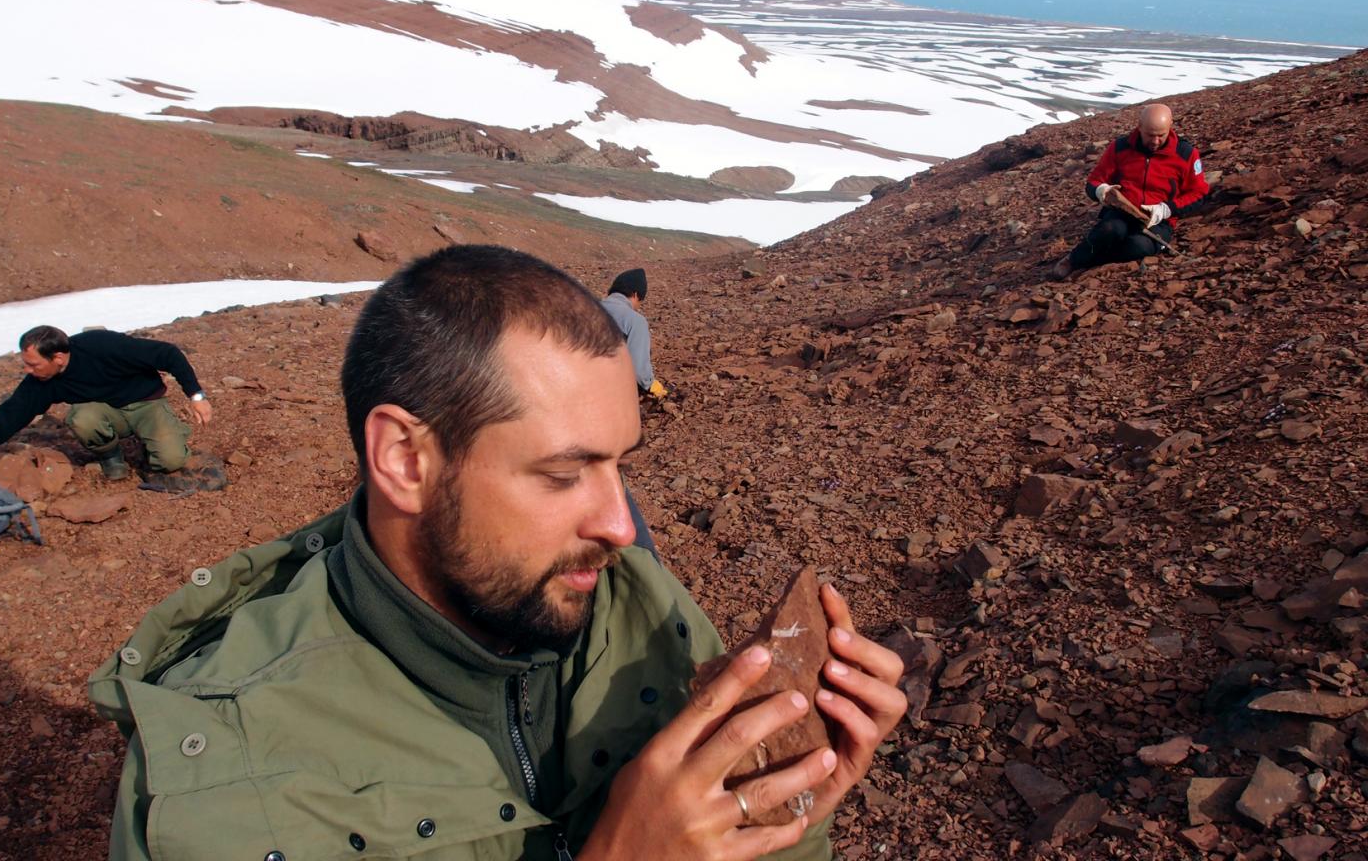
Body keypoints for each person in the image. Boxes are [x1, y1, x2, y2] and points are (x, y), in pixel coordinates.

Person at [90, 246, 906, 861]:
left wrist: (788, 802)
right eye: (562, 473)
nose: (624, 529)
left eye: (621, 464)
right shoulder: (218, 797)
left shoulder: (646, 610)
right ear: (406, 461)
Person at [0, 326, 210, 484]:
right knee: (81, 417)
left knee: (170, 460)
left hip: (146, 403)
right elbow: (9, 417)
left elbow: (168, 353)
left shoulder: (101, 345)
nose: (28, 370)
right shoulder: (42, 381)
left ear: (58, 358)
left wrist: (196, 396)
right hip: (105, 411)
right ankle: (110, 455)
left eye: (33, 364)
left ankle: (168, 433)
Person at [1052, 103, 1210, 278]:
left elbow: (1198, 193)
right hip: (1121, 211)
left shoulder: (1186, 154)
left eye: (1161, 135)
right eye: (1150, 135)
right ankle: (1073, 260)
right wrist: (1102, 191)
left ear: (1170, 126)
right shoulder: (1120, 147)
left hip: (1159, 220)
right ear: (1139, 127)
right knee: (1110, 229)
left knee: (1139, 247)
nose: (1155, 142)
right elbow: (1094, 181)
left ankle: (1094, 263)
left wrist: (1166, 209)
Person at [601, 268, 667, 399]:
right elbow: (638, 370)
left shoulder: (588, 309)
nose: (638, 306)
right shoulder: (634, 320)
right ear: (636, 295)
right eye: (640, 302)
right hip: (607, 392)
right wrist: (650, 385)